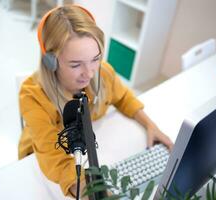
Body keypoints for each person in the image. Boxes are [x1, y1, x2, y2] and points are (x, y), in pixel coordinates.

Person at [18, 4, 173, 199]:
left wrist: (151, 125)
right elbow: (52, 156)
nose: (90, 73)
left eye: (95, 59)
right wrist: (87, 191)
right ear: (51, 62)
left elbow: (124, 97)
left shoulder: (103, 73)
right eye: (76, 64)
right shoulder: (32, 96)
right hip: (37, 162)